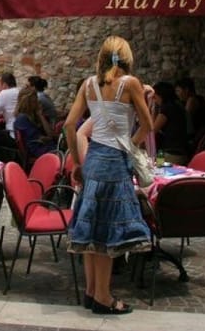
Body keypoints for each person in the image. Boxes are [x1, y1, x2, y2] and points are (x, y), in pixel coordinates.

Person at [63, 36, 153, 315]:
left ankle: (91, 292)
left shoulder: (89, 84)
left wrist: (77, 162)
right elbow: (148, 124)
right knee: (107, 232)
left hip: (93, 162)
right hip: (114, 163)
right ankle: (103, 297)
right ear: (126, 58)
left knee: (92, 228)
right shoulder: (131, 83)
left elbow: (69, 125)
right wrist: (131, 145)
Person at [13, 86, 56, 161]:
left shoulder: (35, 115)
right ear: (27, 102)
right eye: (34, 101)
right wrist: (45, 138)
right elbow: (36, 138)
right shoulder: (22, 118)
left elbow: (50, 133)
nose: (37, 102)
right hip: (37, 149)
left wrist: (41, 115)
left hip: (45, 145)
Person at [151, 81, 188, 165]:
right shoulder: (176, 106)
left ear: (161, 95)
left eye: (155, 97)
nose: (154, 100)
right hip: (179, 152)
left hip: (170, 154)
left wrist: (154, 109)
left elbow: (152, 130)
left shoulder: (167, 108)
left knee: (160, 172)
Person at [176, 77, 205, 152]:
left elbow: (185, 120)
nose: (177, 94)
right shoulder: (199, 98)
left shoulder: (192, 100)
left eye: (178, 91)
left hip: (199, 137)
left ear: (186, 90)